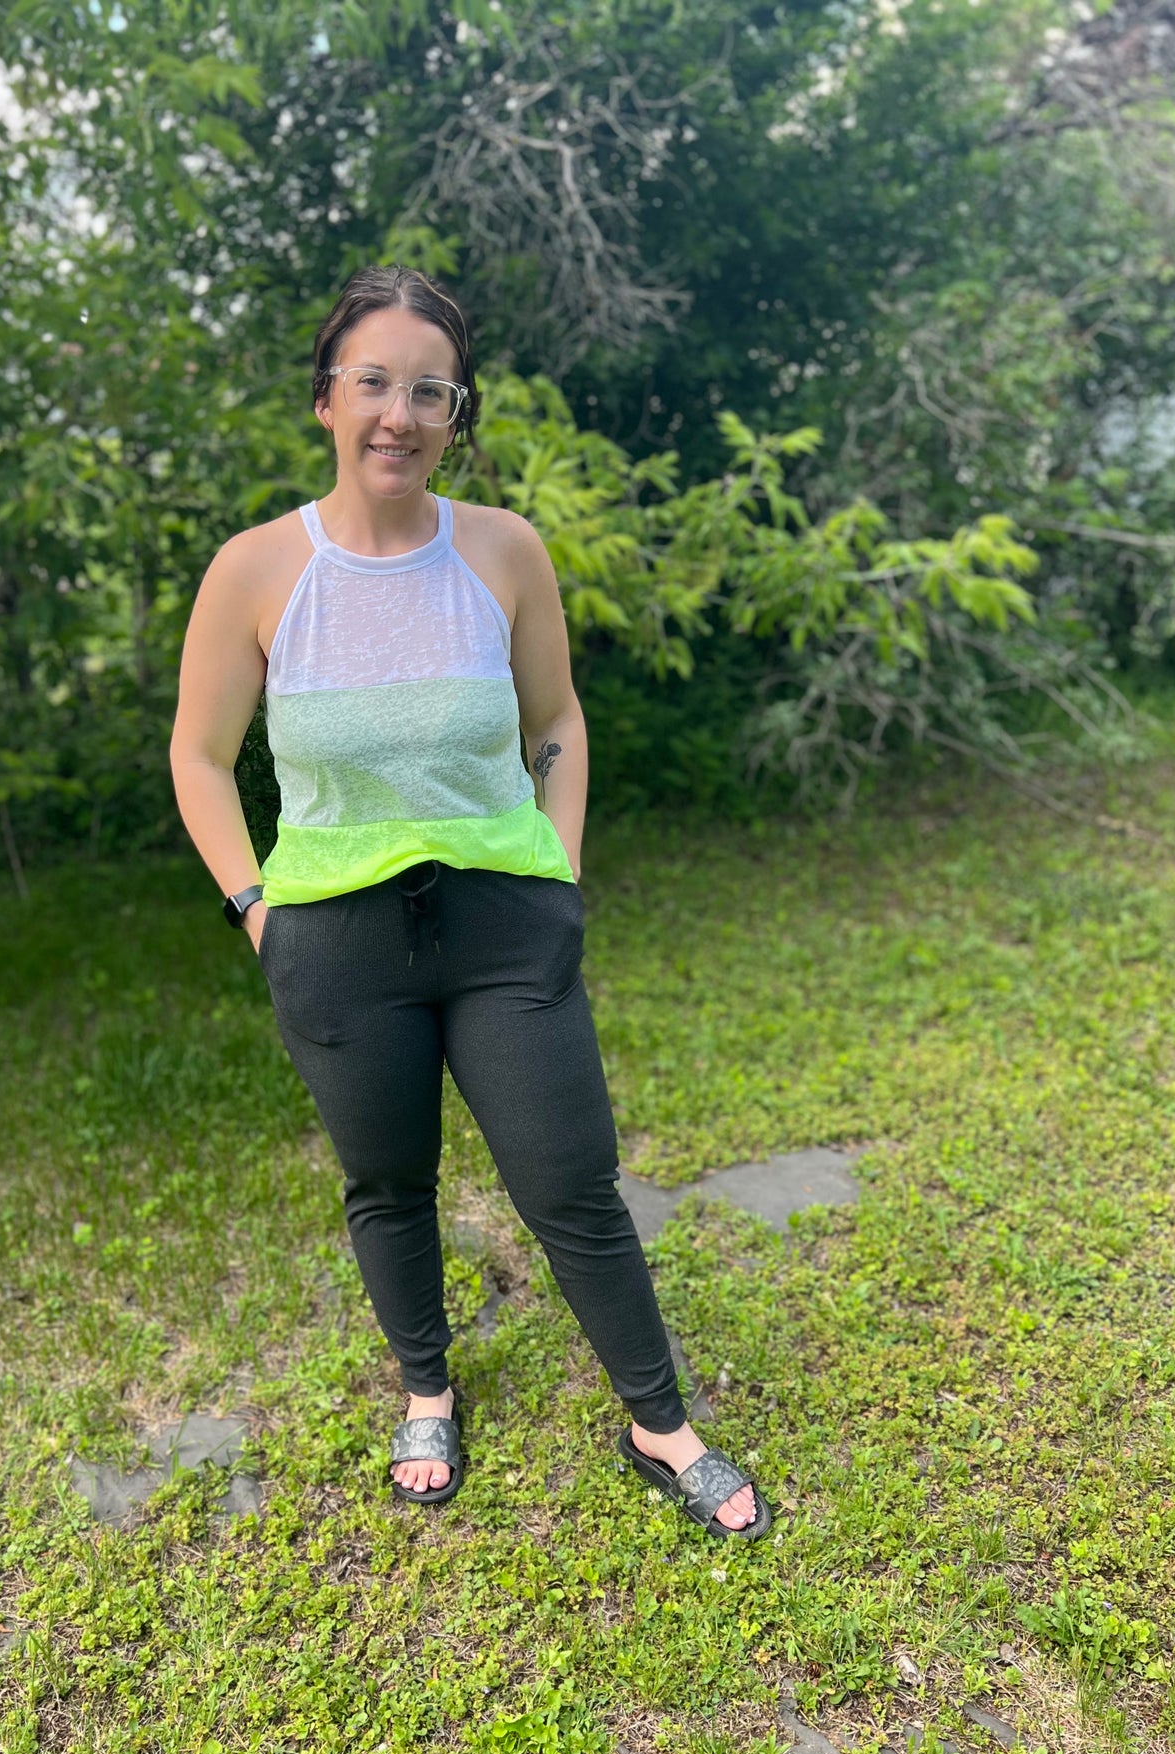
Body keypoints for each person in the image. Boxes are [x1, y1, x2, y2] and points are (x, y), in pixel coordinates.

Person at [169, 263, 771, 1543]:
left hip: (505, 924)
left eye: (426, 390)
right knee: (387, 1183)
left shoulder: (500, 548)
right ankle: (427, 1390)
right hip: (332, 937)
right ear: (326, 398)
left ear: (455, 412)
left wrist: (553, 864)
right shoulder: (257, 569)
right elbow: (199, 756)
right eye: (372, 382)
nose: (398, 411)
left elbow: (556, 716)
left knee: (571, 1180)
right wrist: (254, 909)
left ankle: (658, 1421)